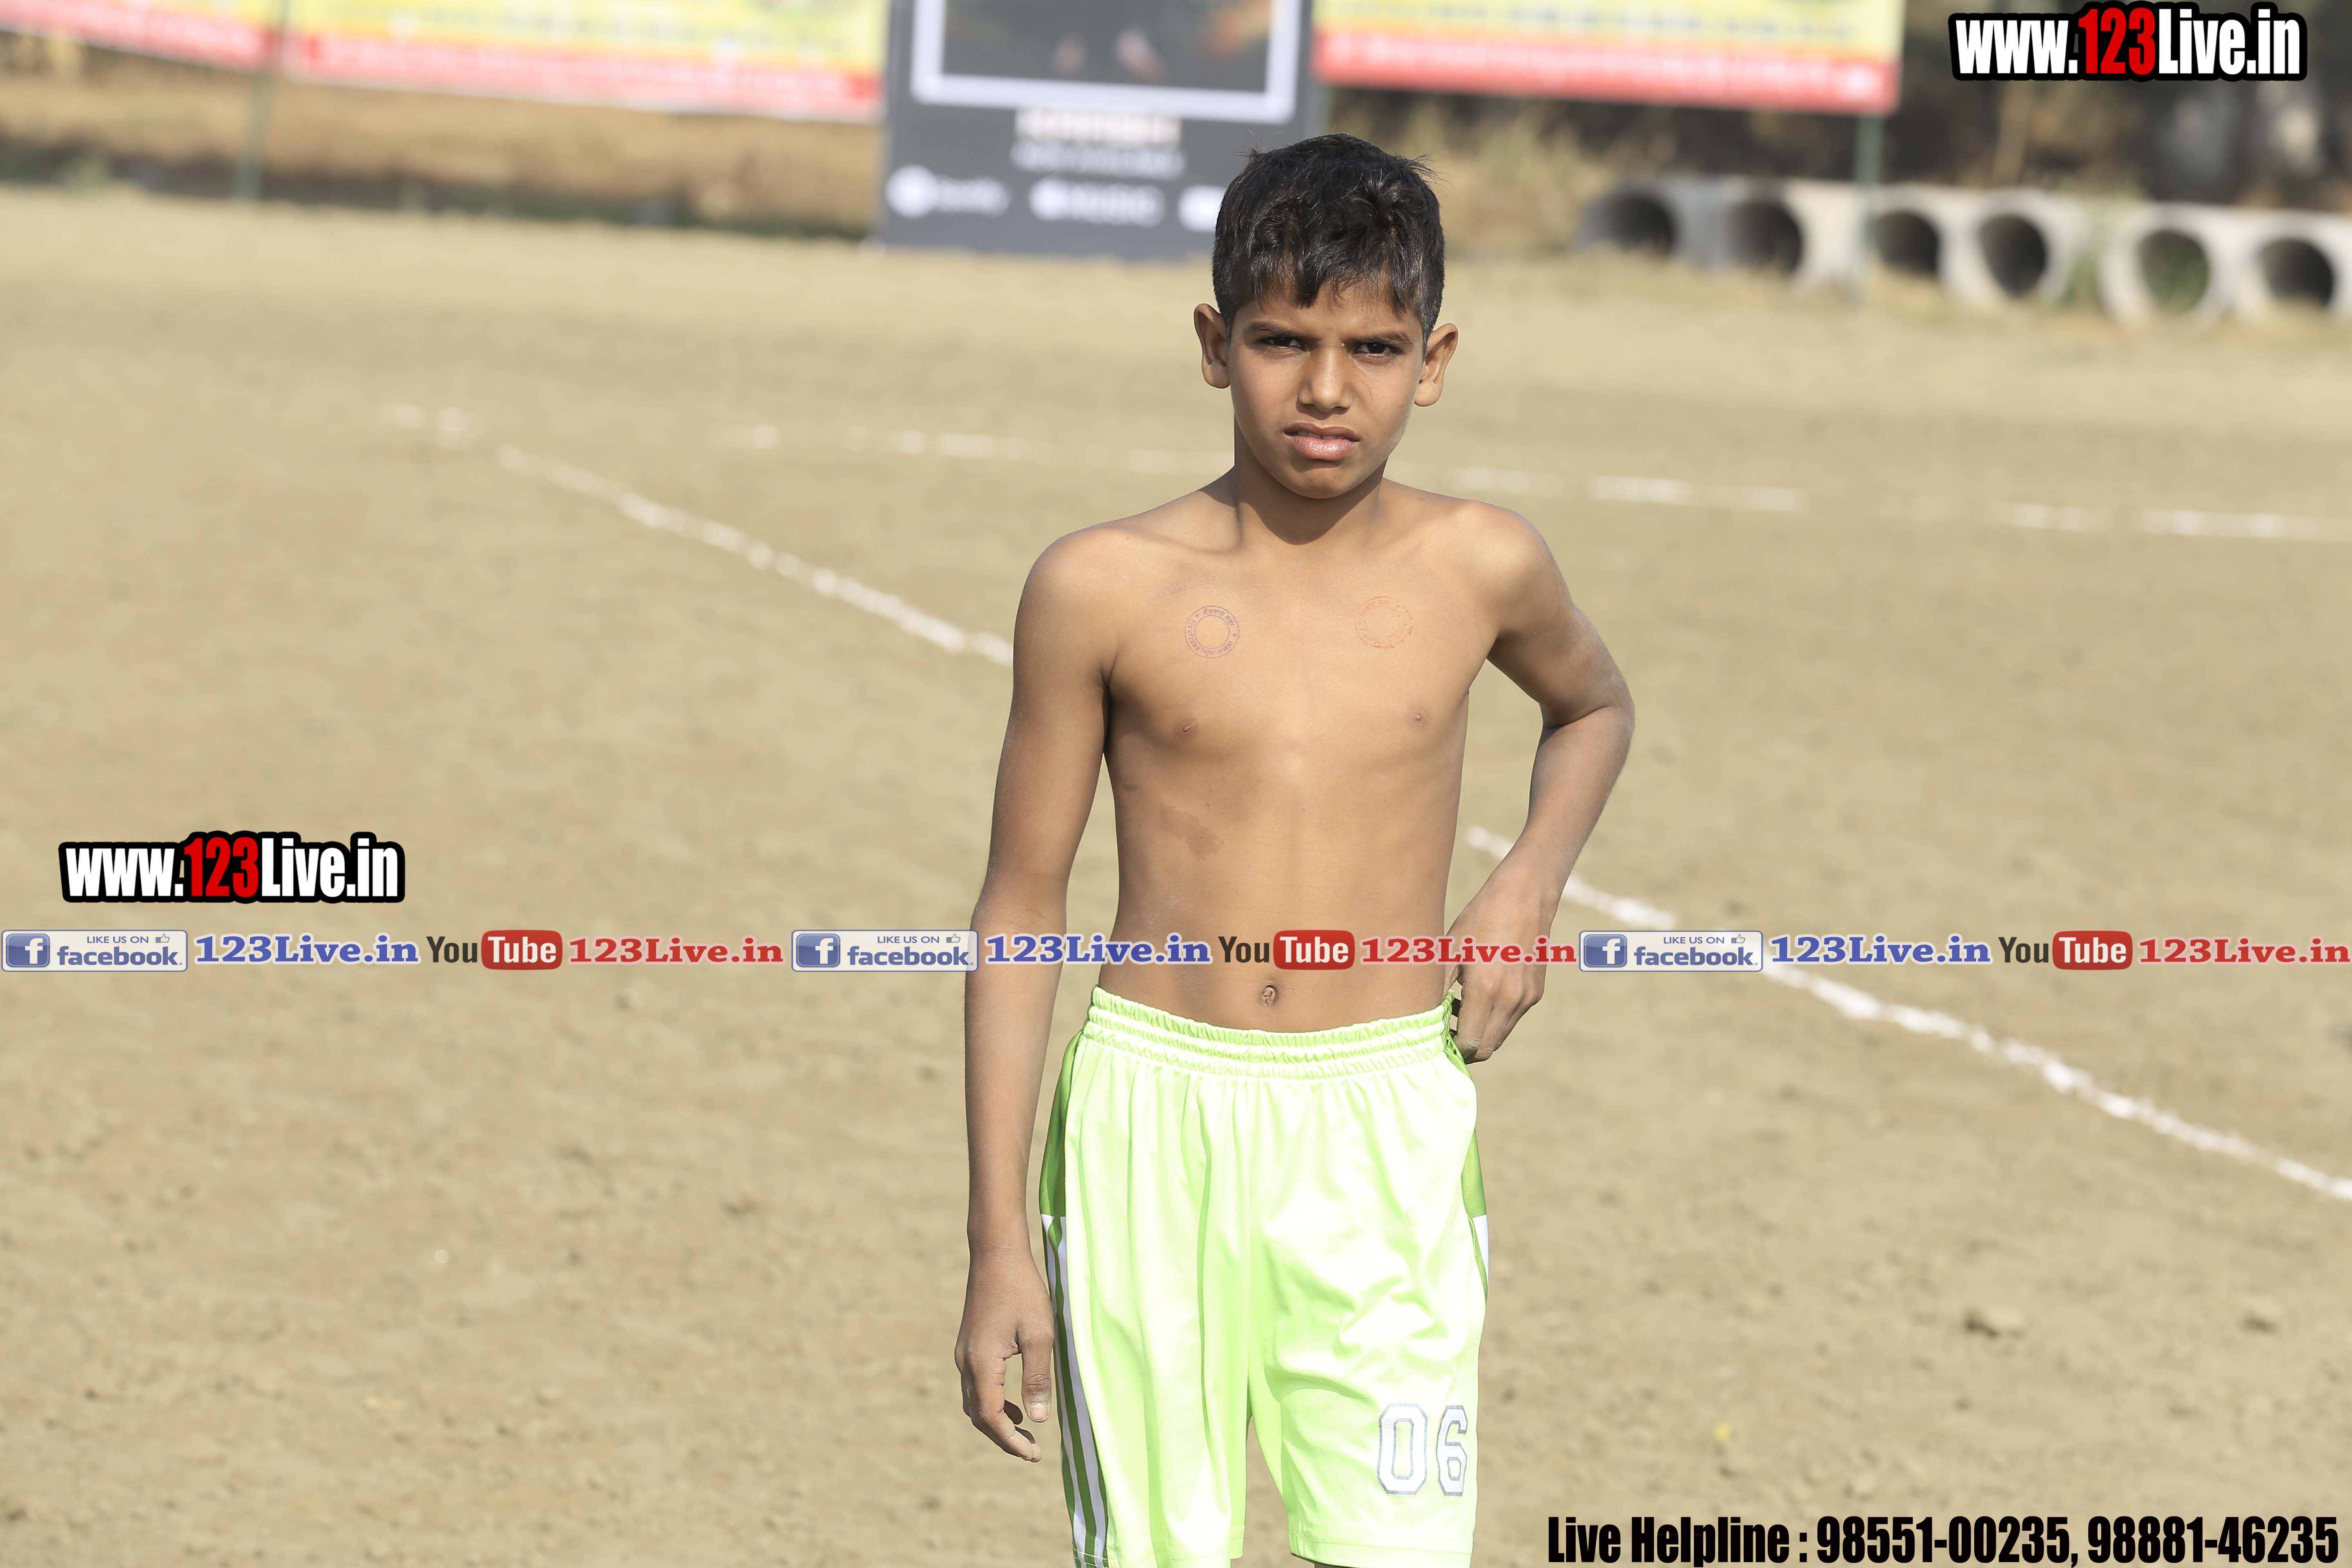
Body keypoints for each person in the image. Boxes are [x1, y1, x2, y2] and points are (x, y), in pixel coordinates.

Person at [954, 132, 1634, 1568]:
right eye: (1283, 341)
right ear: (1217, 345)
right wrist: (998, 1241)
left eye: (1374, 348)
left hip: (1385, 1121)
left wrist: (1524, 885)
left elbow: (1594, 707)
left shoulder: (1485, 564)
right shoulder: (1098, 586)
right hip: (1150, 1120)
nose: (1328, 389)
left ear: (1433, 361)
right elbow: (1020, 908)